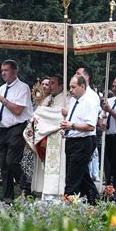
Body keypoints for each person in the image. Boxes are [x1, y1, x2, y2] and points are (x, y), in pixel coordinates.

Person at [0, 59, 33, 201]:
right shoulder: (1, 88)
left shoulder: (23, 88)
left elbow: (18, 110)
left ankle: (26, 186)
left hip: (17, 128)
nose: (3, 73)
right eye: (2, 70)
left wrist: (2, 100)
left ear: (14, 71)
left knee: (12, 161)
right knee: (3, 164)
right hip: (3, 129)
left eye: (6, 70)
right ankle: (7, 198)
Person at [25, 74, 67, 199]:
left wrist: (41, 113)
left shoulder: (66, 99)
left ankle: (57, 193)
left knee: (56, 167)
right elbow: (40, 113)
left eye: (53, 83)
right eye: (50, 83)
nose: (50, 86)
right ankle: (44, 191)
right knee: (45, 167)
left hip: (57, 138)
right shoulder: (47, 99)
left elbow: (58, 116)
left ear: (61, 85)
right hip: (45, 137)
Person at [61, 75, 99, 204]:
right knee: (82, 176)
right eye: (69, 87)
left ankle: (68, 201)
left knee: (72, 177)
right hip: (72, 140)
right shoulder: (73, 101)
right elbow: (74, 121)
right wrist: (66, 129)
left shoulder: (89, 102)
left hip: (83, 142)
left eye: (73, 87)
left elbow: (90, 126)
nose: (70, 90)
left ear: (82, 87)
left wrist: (72, 126)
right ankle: (95, 201)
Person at [75, 67, 101, 181]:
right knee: (81, 170)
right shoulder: (76, 93)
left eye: (78, 74)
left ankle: (90, 194)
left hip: (86, 135)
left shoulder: (92, 96)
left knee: (82, 169)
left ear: (86, 77)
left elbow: (93, 119)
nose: (75, 76)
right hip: (75, 135)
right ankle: (88, 195)